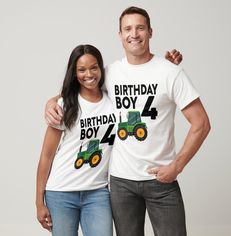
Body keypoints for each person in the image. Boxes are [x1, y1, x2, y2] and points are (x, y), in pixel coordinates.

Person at [43, 6, 207, 236]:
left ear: (150, 32)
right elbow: (81, 86)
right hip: (121, 183)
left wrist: (177, 166)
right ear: (120, 35)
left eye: (140, 27)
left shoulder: (170, 72)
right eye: (127, 28)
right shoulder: (110, 73)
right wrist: (53, 101)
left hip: (161, 180)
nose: (134, 33)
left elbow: (201, 123)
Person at [36, 44, 116, 236]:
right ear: (74, 73)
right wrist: (39, 202)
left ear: (101, 68)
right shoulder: (65, 105)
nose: (88, 74)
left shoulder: (113, 100)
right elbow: (46, 156)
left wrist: (167, 67)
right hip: (61, 193)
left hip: (97, 193)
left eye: (94, 67)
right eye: (81, 69)